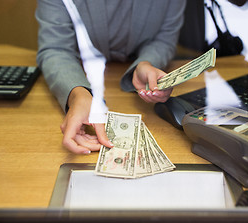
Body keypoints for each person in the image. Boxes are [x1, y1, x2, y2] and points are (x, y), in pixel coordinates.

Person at [36, 0, 186, 154]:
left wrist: (146, 63)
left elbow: (163, 40)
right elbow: (56, 49)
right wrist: (78, 94)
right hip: (81, 73)